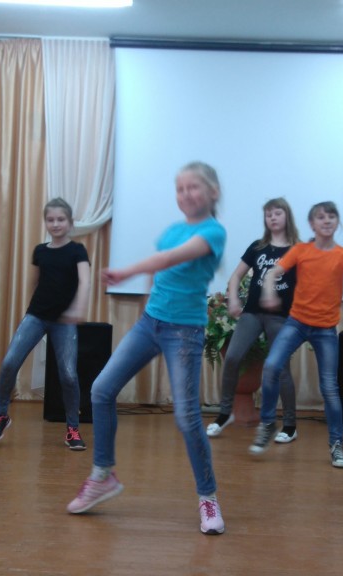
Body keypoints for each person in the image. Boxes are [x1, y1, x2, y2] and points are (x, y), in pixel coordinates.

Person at [66, 161, 227, 535]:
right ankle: (102, 475)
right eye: (180, 188)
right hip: (151, 324)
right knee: (101, 390)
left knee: (187, 417)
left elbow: (169, 259)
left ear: (213, 192)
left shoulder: (213, 232)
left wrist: (125, 271)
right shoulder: (172, 229)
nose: (185, 194)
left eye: (193, 187)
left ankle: (208, 497)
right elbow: (159, 271)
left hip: (184, 332)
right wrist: (147, 306)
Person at [251, 201, 343, 468]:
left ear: (337, 223)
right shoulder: (301, 250)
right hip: (296, 323)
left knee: (329, 388)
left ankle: (337, 445)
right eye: (321, 217)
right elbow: (273, 273)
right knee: (272, 366)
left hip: (325, 330)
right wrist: (269, 292)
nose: (327, 220)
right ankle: (267, 424)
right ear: (312, 224)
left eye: (332, 216)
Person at [0, 198, 91, 450]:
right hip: (36, 316)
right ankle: (1, 415)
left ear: (70, 223)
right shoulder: (40, 251)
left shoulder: (78, 250)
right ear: (45, 222)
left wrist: (77, 308)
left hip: (64, 322)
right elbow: (35, 282)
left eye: (61, 219)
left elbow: (85, 281)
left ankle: (72, 429)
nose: (55, 224)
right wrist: (31, 314)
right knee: (10, 362)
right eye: (50, 219)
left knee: (68, 374)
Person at [206, 197, 300, 443]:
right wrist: (233, 299)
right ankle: (225, 413)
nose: (272, 217)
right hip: (252, 313)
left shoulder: (298, 250)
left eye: (277, 213)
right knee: (232, 357)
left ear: (287, 216)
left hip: (281, 316)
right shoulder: (258, 247)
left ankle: (290, 425)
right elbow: (236, 276)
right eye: (268, 214)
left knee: (281, 368)